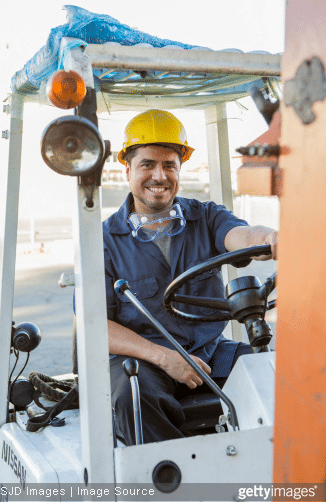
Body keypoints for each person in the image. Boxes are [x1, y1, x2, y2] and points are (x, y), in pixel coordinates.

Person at [103, 109, 278, 445]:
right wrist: (165, 357)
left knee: (278, 377)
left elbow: (242, 236)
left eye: (169, 164)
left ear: (180, 168)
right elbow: (94, 326)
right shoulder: (105, 241)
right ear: (127, 168)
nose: (160, 175)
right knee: (133, 398)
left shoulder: (207, 217)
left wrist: (269, 239)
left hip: (210, 352)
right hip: (143, 359)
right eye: (147, 164)